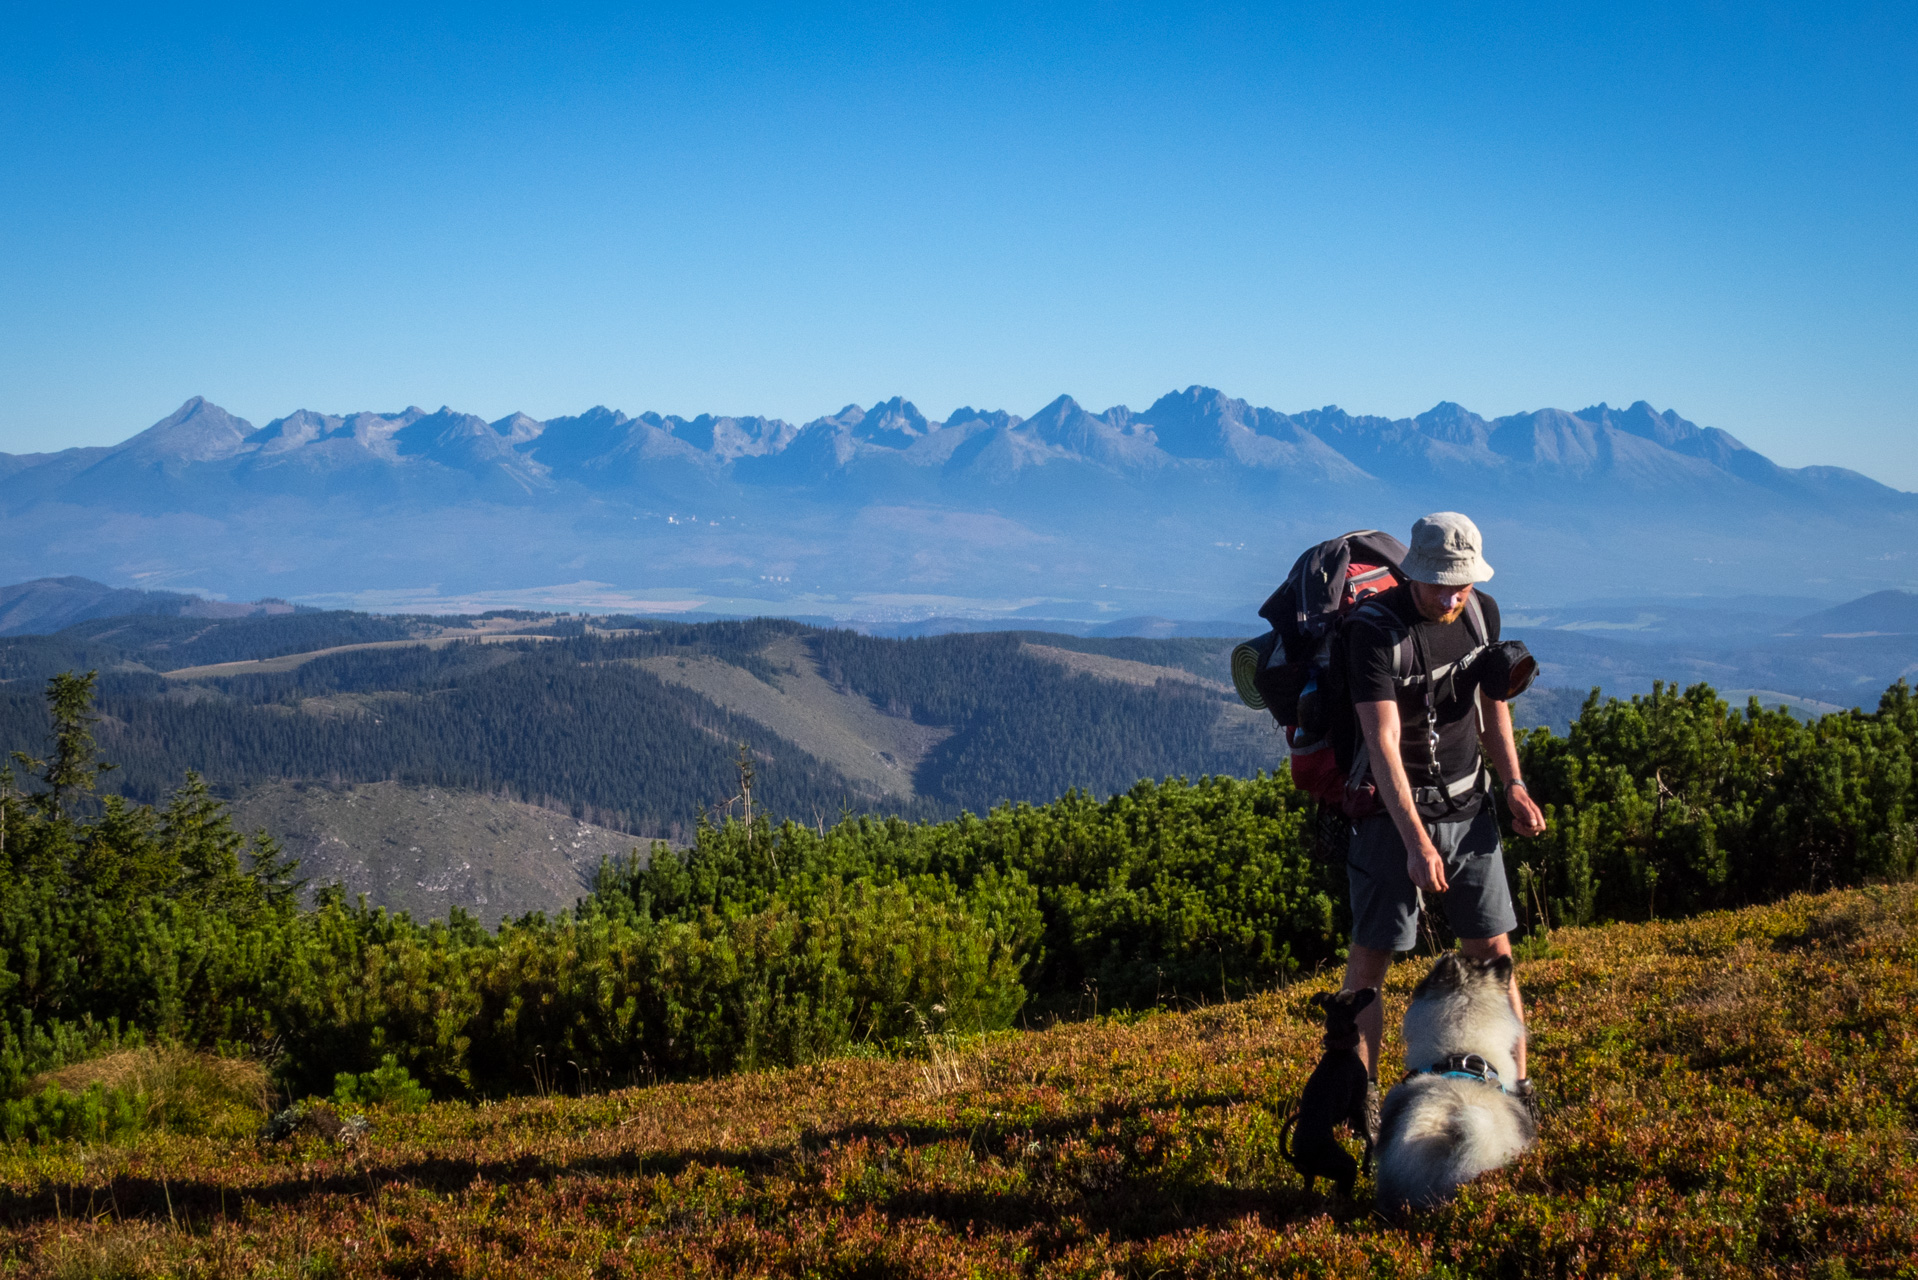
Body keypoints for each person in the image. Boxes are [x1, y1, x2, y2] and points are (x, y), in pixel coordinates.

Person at [1339, 511, 1548, 1125]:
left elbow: (1494, 709)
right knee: (1371, 963)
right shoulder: (1373, 633)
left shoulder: (1483, 613)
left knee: (1493, 955)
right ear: (1414, 574)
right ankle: (1361, 1097)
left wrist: (1513, 784)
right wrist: (1414, 842)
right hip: (1388, 817)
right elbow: (1381, 741)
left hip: (1469, 806)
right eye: (1441, 584)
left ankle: (1519, 1092)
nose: (1454, 595)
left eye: (1463, 583)